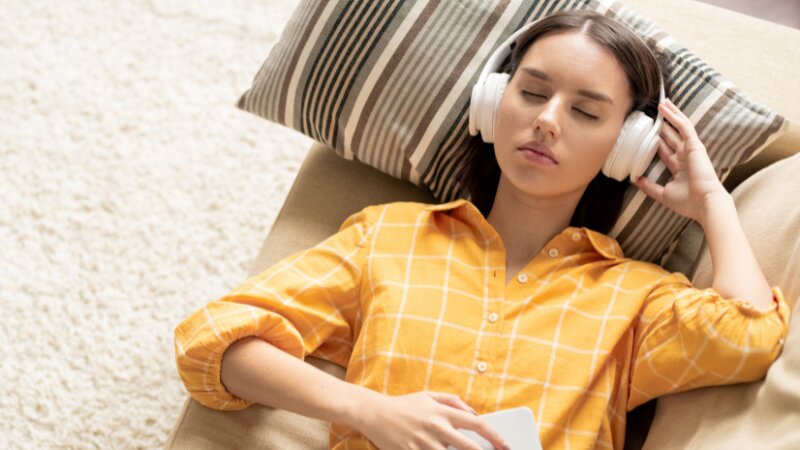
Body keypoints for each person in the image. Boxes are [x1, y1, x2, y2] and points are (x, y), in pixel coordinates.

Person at [173, 10, 789, 450]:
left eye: (585, 111)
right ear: (494, 104)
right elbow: (215, 341)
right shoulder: (389, 238)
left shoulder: (635, 296)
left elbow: (747, 335)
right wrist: (371, 411)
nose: (547, 120)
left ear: (624, 145)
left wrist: (711, 201)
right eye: (532, 92)